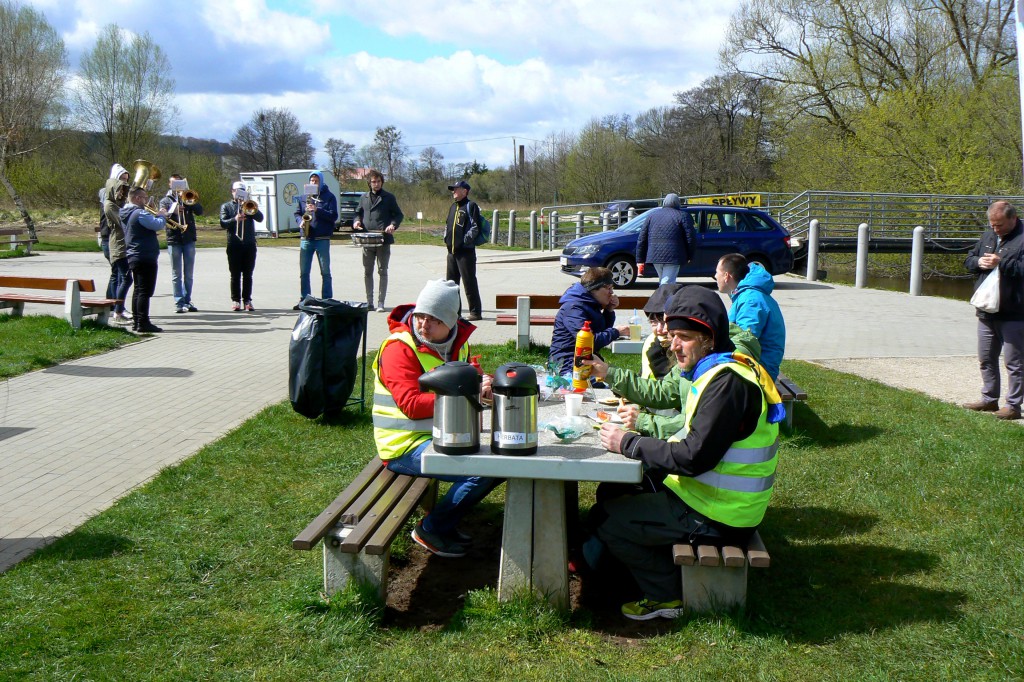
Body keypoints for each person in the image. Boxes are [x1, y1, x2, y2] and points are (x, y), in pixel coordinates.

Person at [590, 285, 782, 620]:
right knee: (612, 492)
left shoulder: (727, 384)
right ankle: (624, 571)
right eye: (671, 334)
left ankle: (665, 595)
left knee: (609, 521)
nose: (673, 345)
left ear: (709, 337)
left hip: (720, 515)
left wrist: (629, 443)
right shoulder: (715, 369)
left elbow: (694, 457)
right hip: (711, 499)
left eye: (684, 337)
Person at [372, 279, 500, 557]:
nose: (423, 325)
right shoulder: (399, 348)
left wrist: (482, 380)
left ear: (451, 322)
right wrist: (469, 393)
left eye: (434, 319)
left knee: (502, 461)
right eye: (420, 316)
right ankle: (432, 528)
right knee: (483, 471)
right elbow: (411, 405)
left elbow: (465, 377)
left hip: (440, 434)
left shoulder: (457, 344)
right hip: (403, 445)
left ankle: (445, 522)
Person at [963, 200, 1024, 420]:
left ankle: (1013, 405)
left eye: (999, 225)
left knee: (1014, 363)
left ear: (1013, 219)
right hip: (986, 310)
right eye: (992, 225)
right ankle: (989, 399)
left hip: (1014, 311)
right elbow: (968, 260)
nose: (995, 229)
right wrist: (979, 262)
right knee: (986, 358)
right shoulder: (988, 236)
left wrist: (1002, 262)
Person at [715, 253, 787, 381]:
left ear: (726, 276)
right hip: (753, 364)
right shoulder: (746, 296)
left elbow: (744, 343)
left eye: (717, 273)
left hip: (759, 369)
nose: (715, 277)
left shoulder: (750, 301)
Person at [548, 267, 630, 378]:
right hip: (566, 365)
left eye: (612, 288)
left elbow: (600, 330)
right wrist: (616, 332)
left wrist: (609, 310)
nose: (612, 293)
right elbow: (589, 342)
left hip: (582, 360)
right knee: (614, 383)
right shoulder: (574, 308)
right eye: (608, 288)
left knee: (618, 380)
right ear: (593, 289)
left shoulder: (589, 303)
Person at [353, 169, 404, 312]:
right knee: (367, 271)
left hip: (383, 240)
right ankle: (369, 302)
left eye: (378, 181)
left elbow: (399, 215)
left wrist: (392, 225)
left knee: (383, 271)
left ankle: (381, 302)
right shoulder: (363, 197)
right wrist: (356, 222)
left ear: (382, 182)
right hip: (367, 240)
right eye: (373, 182)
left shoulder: (389, 197)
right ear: (369, 183)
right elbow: (357, 213)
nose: (376, 184)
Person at [119, 186, 167, 333]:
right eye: (144, 198)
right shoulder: (139, 213)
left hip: (134, 255)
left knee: (139, 290)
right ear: (137, 198)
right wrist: (161, 215)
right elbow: (157, 225)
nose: (146, 200)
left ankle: (137, 321)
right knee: (145, 291)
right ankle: (143, 322)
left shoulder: (126, 212)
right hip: (144, 256)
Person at [160, 174, 203, 313]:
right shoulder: (165, 200)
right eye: (174, 184)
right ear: (169, 185)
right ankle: (179, 302)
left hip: (189, 238)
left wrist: (190, 198)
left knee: (189, 274)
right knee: (176, 273)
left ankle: (187, 300)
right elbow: (162, 215)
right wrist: (173, 210)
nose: (177, 187)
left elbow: (200, 211)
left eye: (180, 184)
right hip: (174, 239)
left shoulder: (188, 197)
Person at [295, 171, 338, 307]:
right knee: (304, 271)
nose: (314, 183)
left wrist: (317, 210)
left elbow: (333, 216)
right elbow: (297, 213)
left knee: (325, 271)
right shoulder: (303, 197)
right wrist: (300, 221)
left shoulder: (329, 197)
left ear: (321, 182)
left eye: (316, 181)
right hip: (306, 237)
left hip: (322, 238)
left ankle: (326, 300)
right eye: (312, 180)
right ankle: (305, 299)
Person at [443, 180, 483, 320]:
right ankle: (455, 312)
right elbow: (448, 226)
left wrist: (465, 241)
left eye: (456, 189)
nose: (453, 191)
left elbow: (475, 227)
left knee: (469, 281)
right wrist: (446, 238)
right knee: (451, 284)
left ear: (465, 191)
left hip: (465, 253)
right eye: (453, 189)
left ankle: (475, 312)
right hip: (451, 252)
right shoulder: (453, 207)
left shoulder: (470, 206)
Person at [219, 181, 262, 311]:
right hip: (234, 244)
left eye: (242, 191)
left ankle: (247, 300)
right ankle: (235, 300)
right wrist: (234, 219)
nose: (238, 194)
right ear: (232, 192)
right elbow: (223, 223)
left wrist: (250, 209)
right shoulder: (226, 206)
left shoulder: (249, 206)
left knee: (248, 274)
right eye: (236, 191)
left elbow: (260, 218)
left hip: (249, 244)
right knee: (235, 274)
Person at [635, 194, 696, 285]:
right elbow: (690, 237)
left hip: (655, 254)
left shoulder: (652, 216)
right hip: (674, 255)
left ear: (664, 202)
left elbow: (642, 238)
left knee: (663, 281)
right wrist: (690, 255)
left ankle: (664, 297)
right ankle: (664, 298)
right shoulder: (683, 216)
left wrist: (640, 259)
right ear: (678, 203)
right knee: (667, 283)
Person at [103, 173, 132, 324]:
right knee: (126, 278)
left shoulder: (119, 203)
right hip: (117, 246)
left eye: (123, 190)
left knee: (125, 278)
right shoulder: (109, 205)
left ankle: (119, 310)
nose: (122, 193)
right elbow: (124, 221)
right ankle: (118, 311)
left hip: (125, 245)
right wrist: (131, 206)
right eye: (120, 190)